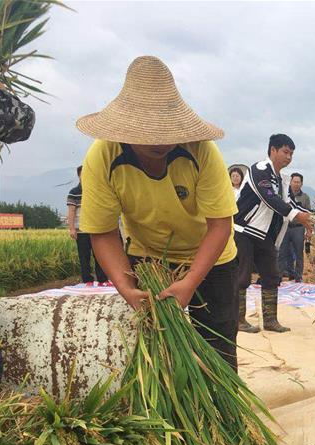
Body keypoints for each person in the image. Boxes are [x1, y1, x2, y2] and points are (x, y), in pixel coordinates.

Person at [76, 56, 241, 371]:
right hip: (148, 257)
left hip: (211, 256)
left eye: (165, 132)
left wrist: (190, 281)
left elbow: (220, 225)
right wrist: (127, 289)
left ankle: (221, 414)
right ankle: (166, 412)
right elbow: (103, 232)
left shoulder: (201, 151)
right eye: (149, 134)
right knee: (154, 345)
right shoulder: (103, 155)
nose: (160, 142)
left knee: (218, 343)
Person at [234, 134, 315, 333]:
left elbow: (289, 203)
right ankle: (238, 320)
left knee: (271, 275)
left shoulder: (283, 180)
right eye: (285, 152)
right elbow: (268, 197)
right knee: (242, 275)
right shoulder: (260, 170)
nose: (289, 157)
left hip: (266, 235)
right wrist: (297, 215)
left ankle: (270, 321)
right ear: (273, 150)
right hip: (245, 230)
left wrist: (310, 218)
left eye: (291, 154)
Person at [66, 165, 109, 286]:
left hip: (96, 229)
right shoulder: (74, 193)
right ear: (79, 176)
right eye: (82, 174)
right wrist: (72, 229)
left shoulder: (96, 191)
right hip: (81, 230)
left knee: (99, 255)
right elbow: (71, 211)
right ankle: (88, 280)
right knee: (84, 256)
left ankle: (102, 280)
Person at [278, 172, 313, 282]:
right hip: (285, 227)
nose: (296, 184)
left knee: (298, 253)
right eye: (294, 182)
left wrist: (309, 230)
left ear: (301, 184)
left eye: (299, 182)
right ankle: (279, 276)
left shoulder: (305, 197)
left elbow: (308, 215)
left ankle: (298, 277)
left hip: (298, 228)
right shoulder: (285, 195)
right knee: (282, 252)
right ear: (290, 182)